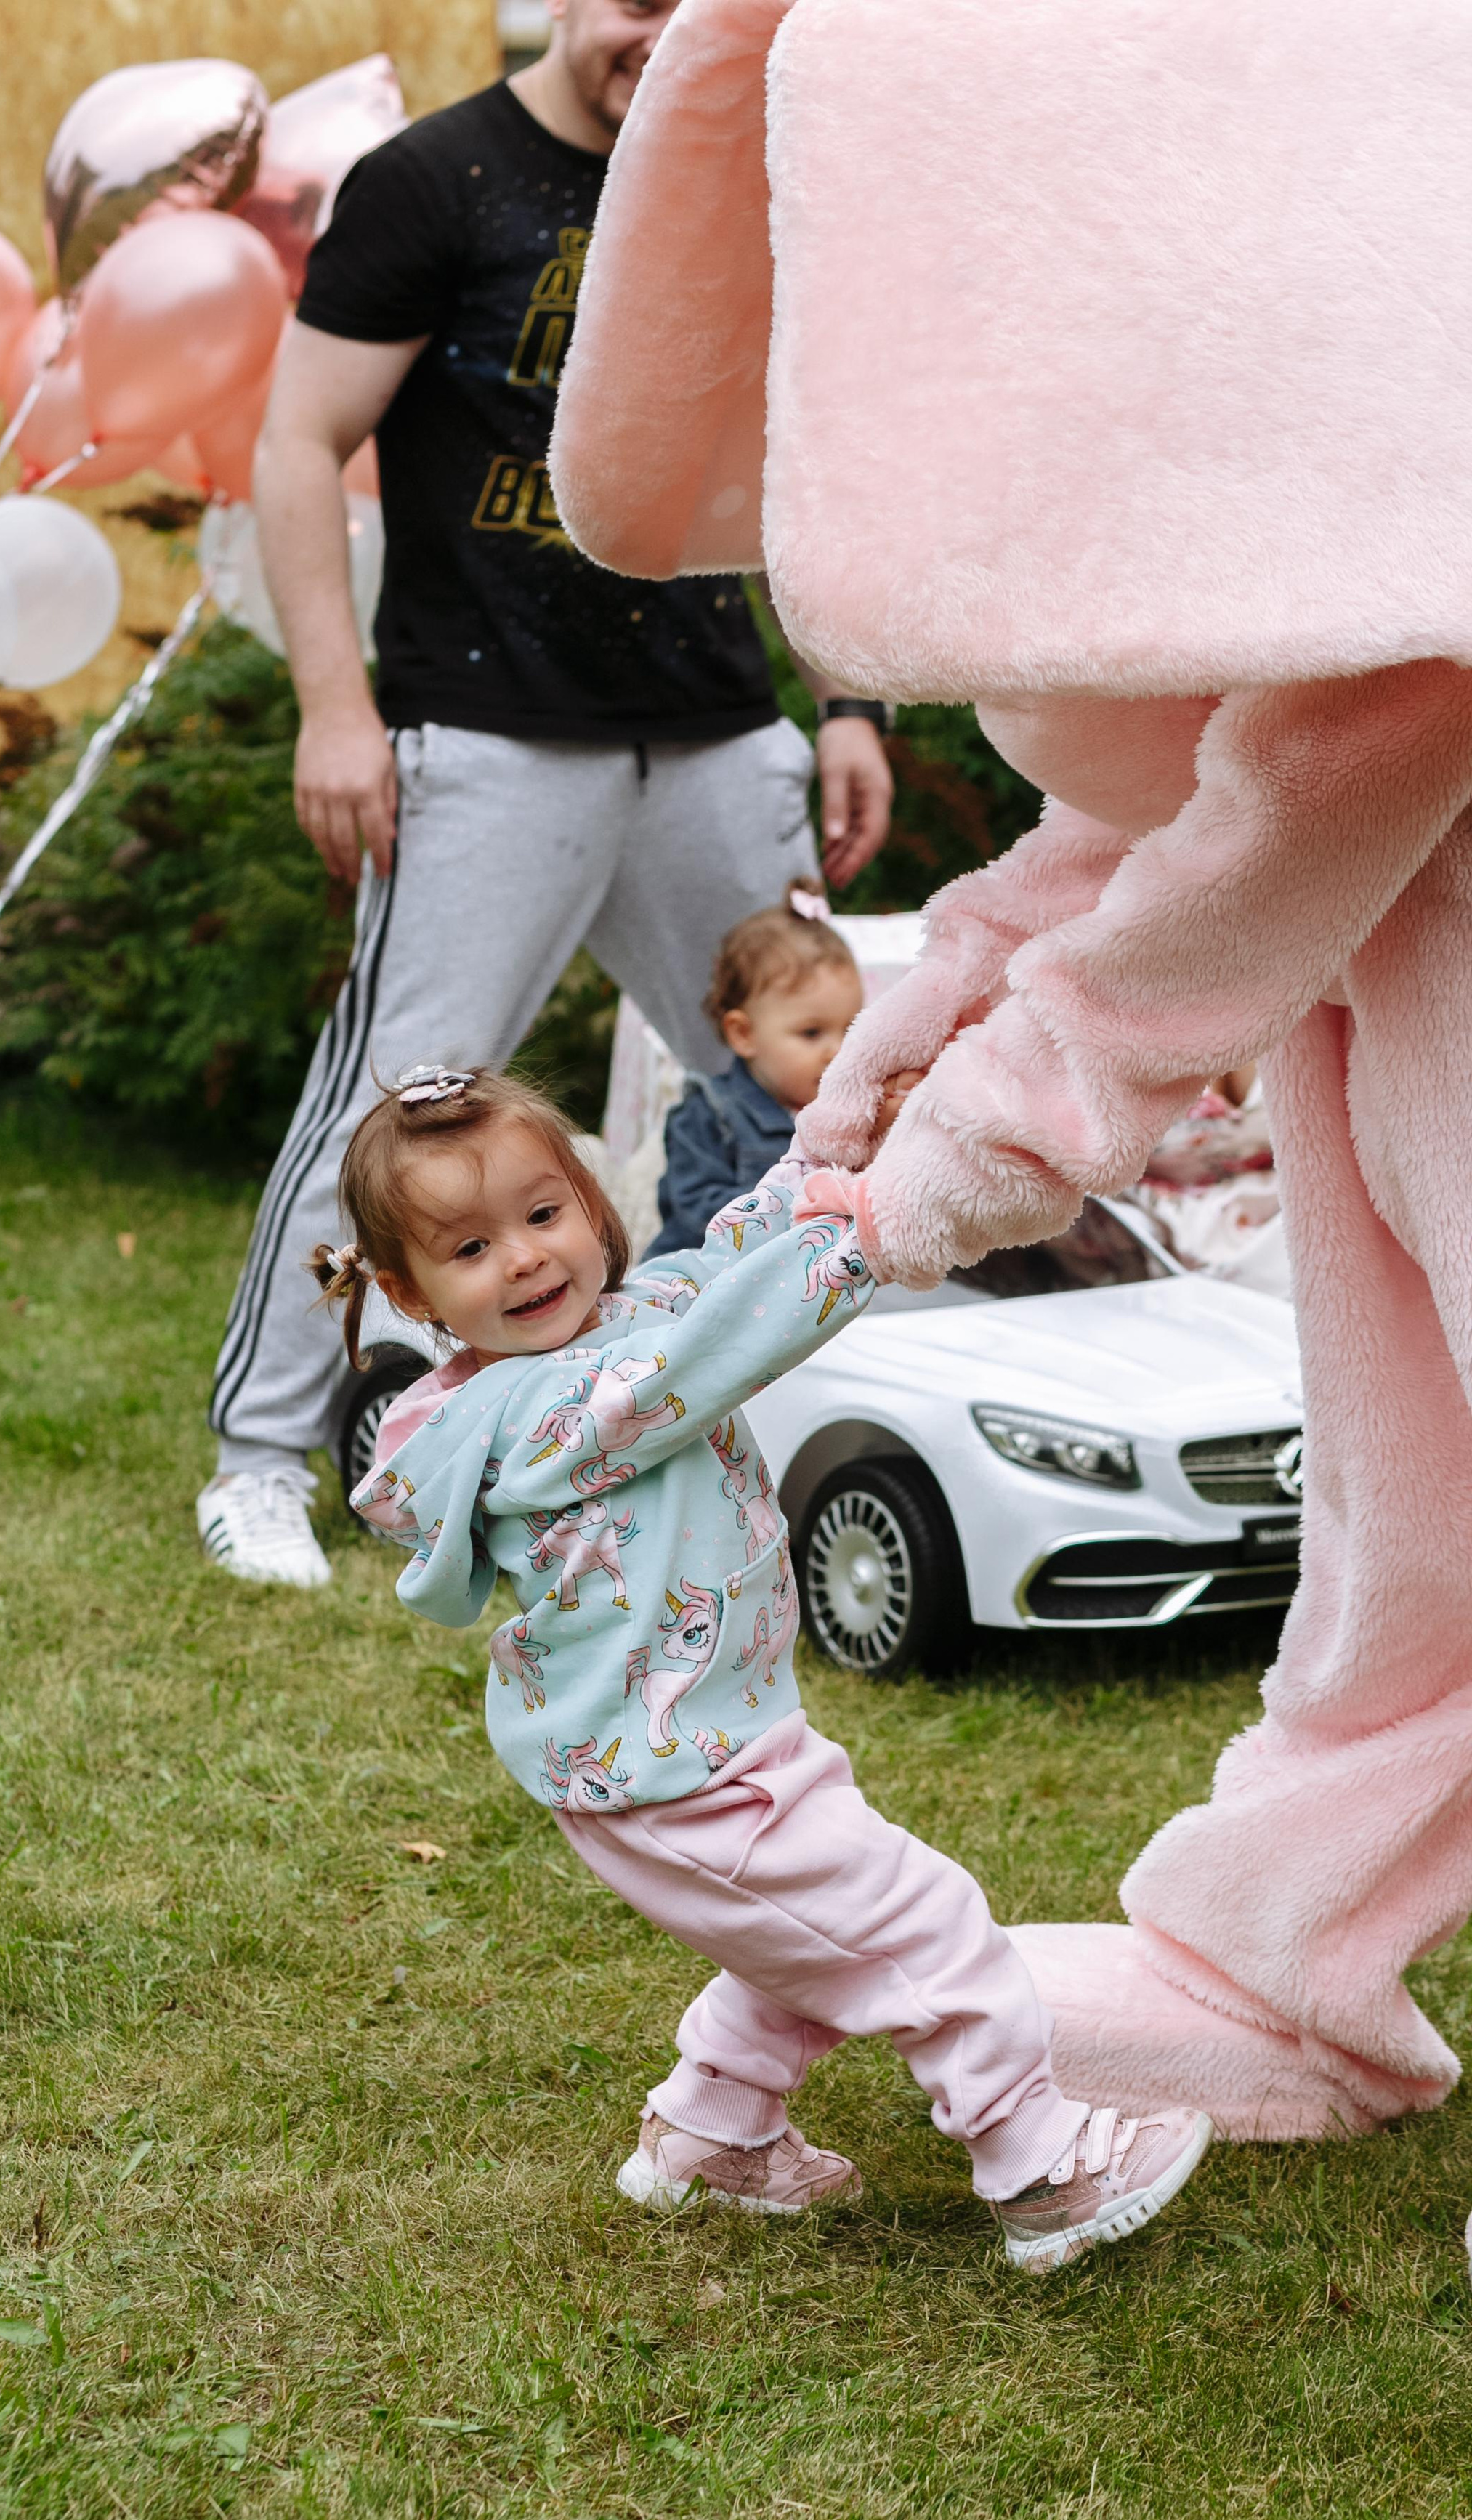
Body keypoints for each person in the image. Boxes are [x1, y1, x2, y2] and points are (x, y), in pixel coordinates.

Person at [198, 0, 896, 1591]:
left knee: (822, 1091)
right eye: (633, 4)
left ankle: (830, 1416)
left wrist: (843, 699)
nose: (659, 36)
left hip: (716, 734)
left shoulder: (745, 185)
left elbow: (804, 462)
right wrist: (332, 707)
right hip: (487, 736)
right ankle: (258, 1460)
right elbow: (299, 441)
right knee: (392, 1105)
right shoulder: (430, 181)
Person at [316, 1063, 1210, 2269]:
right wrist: (871, 1243)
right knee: (924, 1925)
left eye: (542, 1216)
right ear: (407, 1290)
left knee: (799, 1942)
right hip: (675, 1770)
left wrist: (830, 1152)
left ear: (590, 1201)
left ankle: (711, 2137)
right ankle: (1043, 2167)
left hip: (717, 1736)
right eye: (470, 1248)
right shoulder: (541, 1412)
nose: (525, 1261)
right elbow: (724, 1343)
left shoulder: (628, 1317)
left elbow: (728, 1265)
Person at [647, 882, 864, 1255]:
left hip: (796, 1283)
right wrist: (809, 1200)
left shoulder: (848, 1111)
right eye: (811, 1033)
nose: (838, 1051)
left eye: (850, 1029)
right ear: (744, 1034)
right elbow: (699, 1210)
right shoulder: (711, 1112)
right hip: (698, 1285)